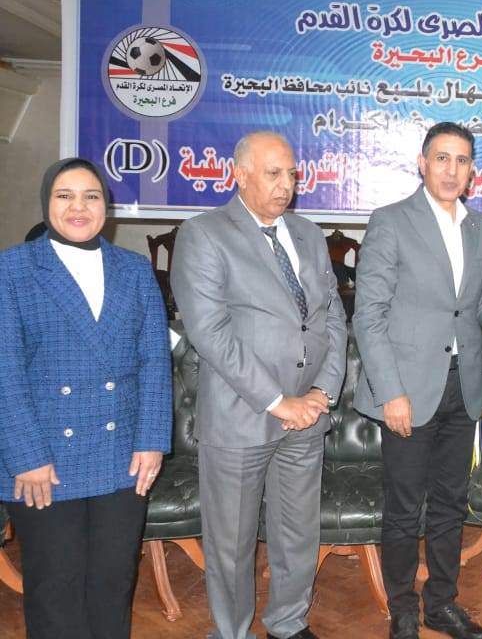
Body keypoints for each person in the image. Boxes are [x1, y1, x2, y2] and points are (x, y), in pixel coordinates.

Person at [353, 121, 482, 639]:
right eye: (441, 158)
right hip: (408, 390)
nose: (451, 169)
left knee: (449, 503)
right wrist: (391, 392)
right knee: (403, 508)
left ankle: (441, 603)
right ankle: (402, 608)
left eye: (461, 160)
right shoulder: (391, 221)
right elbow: (368, 316)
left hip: (465, 387)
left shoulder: (481, 227)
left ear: (472, 170)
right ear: (422, 163)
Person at [171, 131, 348, 639]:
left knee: (297, 533)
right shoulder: (204, 234)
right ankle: (232, 631)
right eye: (273, 174)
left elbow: (333, 317)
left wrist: (321, 392)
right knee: (231, 543)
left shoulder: (309, 234)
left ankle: (288, 624)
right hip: (241, 416)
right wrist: (277, 401)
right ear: (240, 174)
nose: (286, 184)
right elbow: (210, 333)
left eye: (291, 174)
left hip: (307, 416)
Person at [0, 158, 172, 639]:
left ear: (106, 207)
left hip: (124, 455)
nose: (79, 207)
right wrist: (26, 456)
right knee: (56, 584)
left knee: (114, 580)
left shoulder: (133, 269)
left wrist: (152, 440)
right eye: (65, 196)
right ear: (47, 203)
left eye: (91, 196)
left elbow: (155, 361)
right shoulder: (12, 269)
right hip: (45, 459)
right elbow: (4, 371)